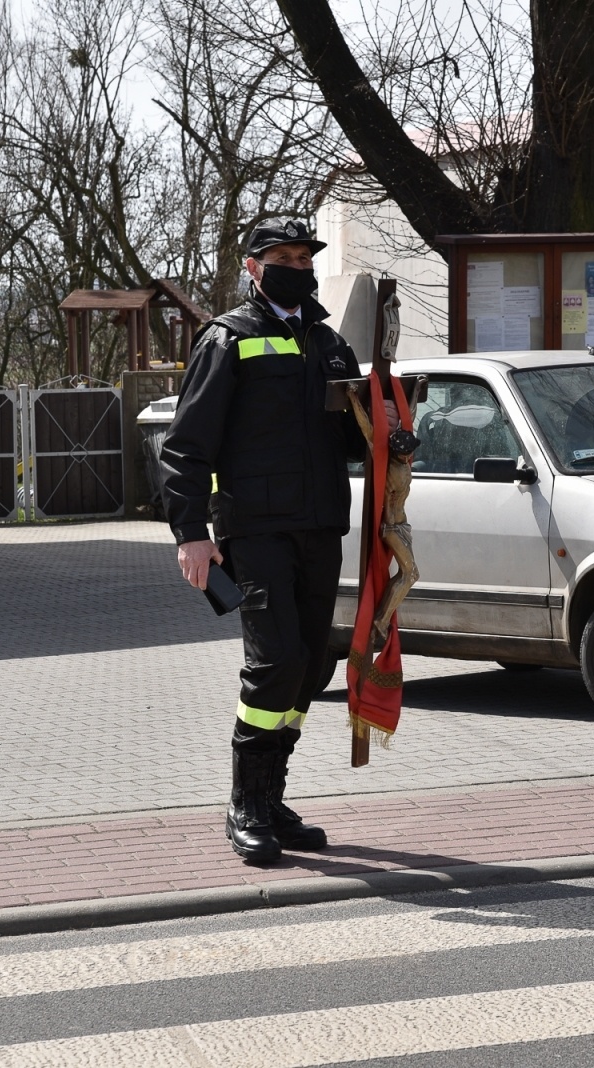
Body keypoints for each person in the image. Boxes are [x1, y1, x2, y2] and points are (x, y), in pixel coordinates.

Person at [160, 217, 376, 863]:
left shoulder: (331, 346)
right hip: (252, 531)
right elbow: (185, 446)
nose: (295, 265)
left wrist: (390, 429)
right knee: (275, 660)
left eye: (303, 256)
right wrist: (191, 534)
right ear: (253, 267)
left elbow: (352, 440)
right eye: (280, 256)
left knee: (311, 664)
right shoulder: (228, 339)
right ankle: (245, 805)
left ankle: (272, 795)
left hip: (318, 527)